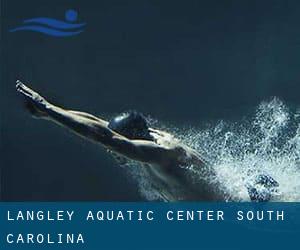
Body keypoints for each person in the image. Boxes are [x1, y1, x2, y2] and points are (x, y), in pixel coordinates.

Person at [15, 80, 278, 201]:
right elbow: (98, 125)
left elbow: (105, 137)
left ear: (132, 140)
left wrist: (48, 109)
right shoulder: (146, 139)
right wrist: (51, 113)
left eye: (115, 146)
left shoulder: (162, 154)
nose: (110, 151)